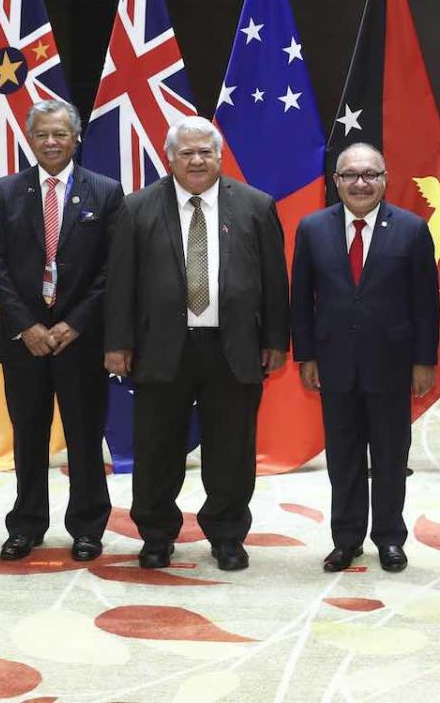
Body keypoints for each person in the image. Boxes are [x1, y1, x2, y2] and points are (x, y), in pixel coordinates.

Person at [103, 116, 288, 572]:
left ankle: (227, 535)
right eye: (186, 152)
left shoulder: (256, 206)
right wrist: (118, 342)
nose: (197, 160)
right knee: (156, 448)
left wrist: (275, 340)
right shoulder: (137, 207)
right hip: (160, 347)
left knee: (232, 450)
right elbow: (120, 281)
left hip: (233, 348)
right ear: (170, 158)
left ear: (220, 157)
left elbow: (274, 281)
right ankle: (156, 535)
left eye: (206, 151)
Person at [0, 101, 123, 562]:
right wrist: (27, 326)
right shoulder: (7, 191)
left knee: (85, 437)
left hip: (80, 341)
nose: (51, 142)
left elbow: (112, 267)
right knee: (28, 438)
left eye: (60, 133)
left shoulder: (105, 191)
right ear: (30, 138)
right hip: (23, 341)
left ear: (76, 137)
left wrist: (74, 323)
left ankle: (87, 526)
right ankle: (26, 525)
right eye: (42, 134)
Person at [291, 143, 438, 574]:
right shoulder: (312, 228)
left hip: (392, 363)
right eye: (350, 175)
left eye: (370, 174)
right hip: (334, 362)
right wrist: (306, 355)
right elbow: (301, 298)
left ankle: (390, 538)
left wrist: (423, 361)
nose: (360, 183)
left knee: (391, 456)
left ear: (385, 180)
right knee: (344, 456)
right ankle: (347, 539)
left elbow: (425, 303)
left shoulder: (411, 229)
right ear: (336, 181)